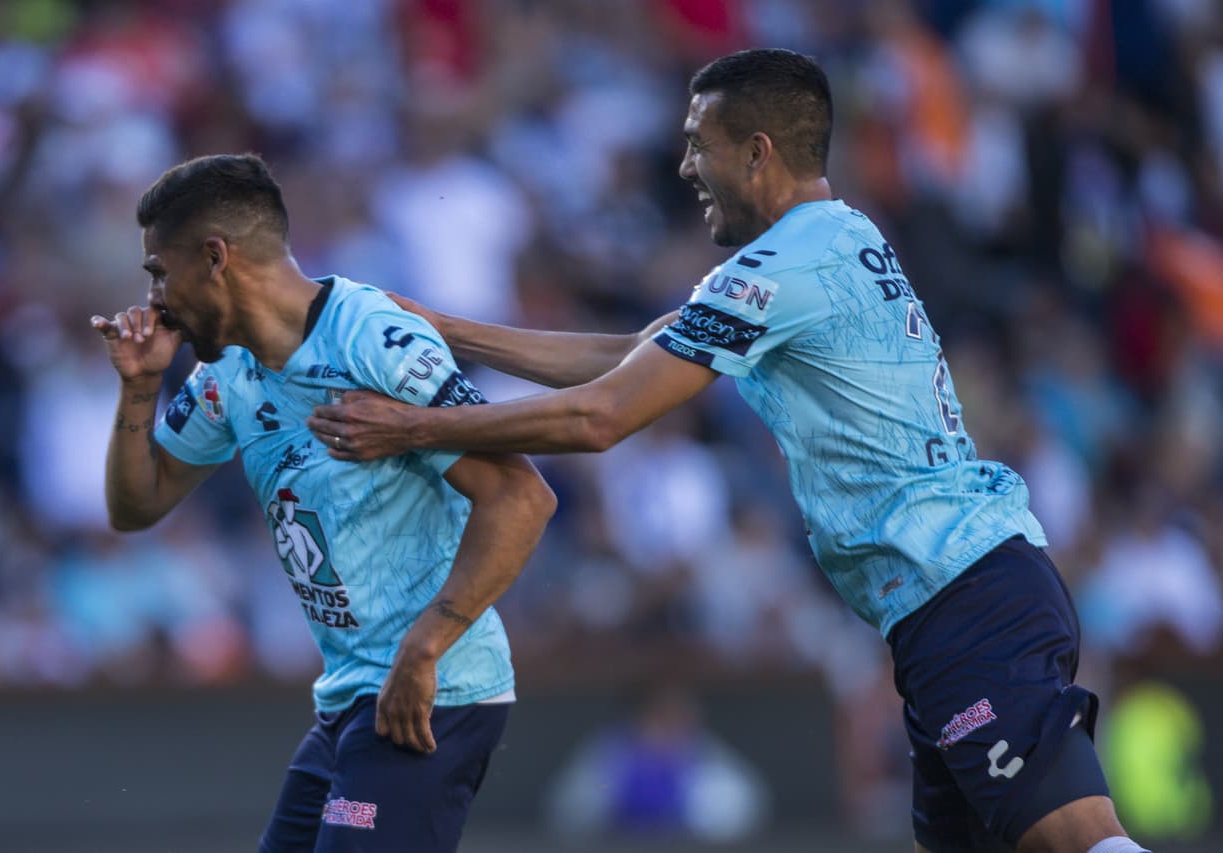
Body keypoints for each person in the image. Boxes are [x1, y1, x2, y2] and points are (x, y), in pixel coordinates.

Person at [307, 50, 1150, 853]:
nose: (683, 168)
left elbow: (602, 417)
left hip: (965, 596)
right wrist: (445, 329)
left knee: (1077, 837)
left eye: (695, 145)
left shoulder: (779, 267)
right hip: (956, 596)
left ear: (756, 152)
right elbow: (632, 358)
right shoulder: (831, 239)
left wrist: (414, 426)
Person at [91, 153, 556, 853]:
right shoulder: (230, 372)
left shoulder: (372, 341)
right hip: (350, 698)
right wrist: (138, 389)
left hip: (433, 693)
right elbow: (138, 505)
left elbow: (523, 498)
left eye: (160, 270)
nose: (156, 298)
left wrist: (424, 648)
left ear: (215, 257)